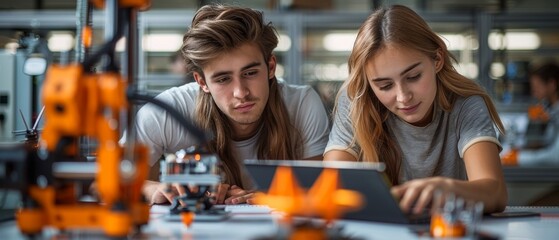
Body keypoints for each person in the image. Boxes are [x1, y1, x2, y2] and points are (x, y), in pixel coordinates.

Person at [124, 4, 330, 206]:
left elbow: (319, 190)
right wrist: (155, 189)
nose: (241, 93)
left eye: (250, 73)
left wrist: (270, 197)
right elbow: (108, 183)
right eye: (223, 79)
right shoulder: (166, 111)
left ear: (270, 67)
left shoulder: (302, 104)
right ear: (202, 82)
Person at [323, 5, 507, 214]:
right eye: (385, 86)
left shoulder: (466, 104)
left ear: (437, 59)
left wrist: (447, 188)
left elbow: (496, 192)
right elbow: (331, 183)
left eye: (413, 77)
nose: (403, 97)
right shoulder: (357, 101)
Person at [502, 61, 559, 166]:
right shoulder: (548, 109)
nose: (533, 92)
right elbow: (545, 142)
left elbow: (556, 156)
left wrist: (518, 158)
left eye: (537, 87)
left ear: (552, 84)